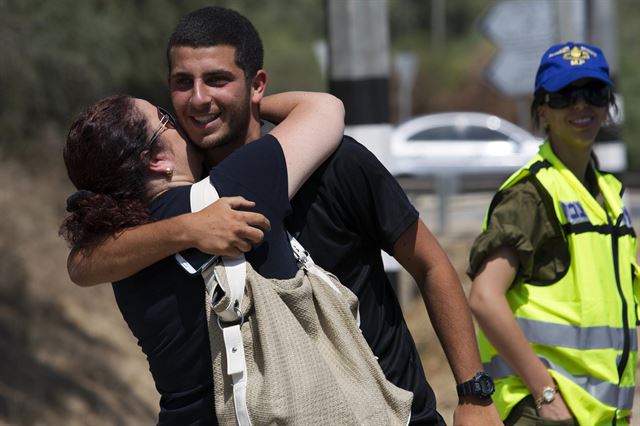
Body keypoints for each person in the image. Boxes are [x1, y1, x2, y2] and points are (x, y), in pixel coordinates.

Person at [66, 6, 501, 425]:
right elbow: (85, 262)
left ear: (256, 84)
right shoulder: (192, 200)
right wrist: (188, 228)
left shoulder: (338, 163)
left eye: (218, 80)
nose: (198, 100)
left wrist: (473, 393)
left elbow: (429, 263)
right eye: (182, 84)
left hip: (397, 409)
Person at [61, 90, 346, 425]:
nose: (180, 124)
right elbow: (325, 108)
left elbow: (79, 265)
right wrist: (235, 107)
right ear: (157, 160)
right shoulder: (236, 186)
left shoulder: (117, 245)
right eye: (168, 118)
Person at [467, 42, 638, 425]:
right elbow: (483, 297)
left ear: (609, 104)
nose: (581, 106)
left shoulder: (609, 194)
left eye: (594, 93)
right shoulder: (531, 194)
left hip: (601, 414)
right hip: (547, 412)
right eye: (565, 96)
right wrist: (545, 394)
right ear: (543, 111)